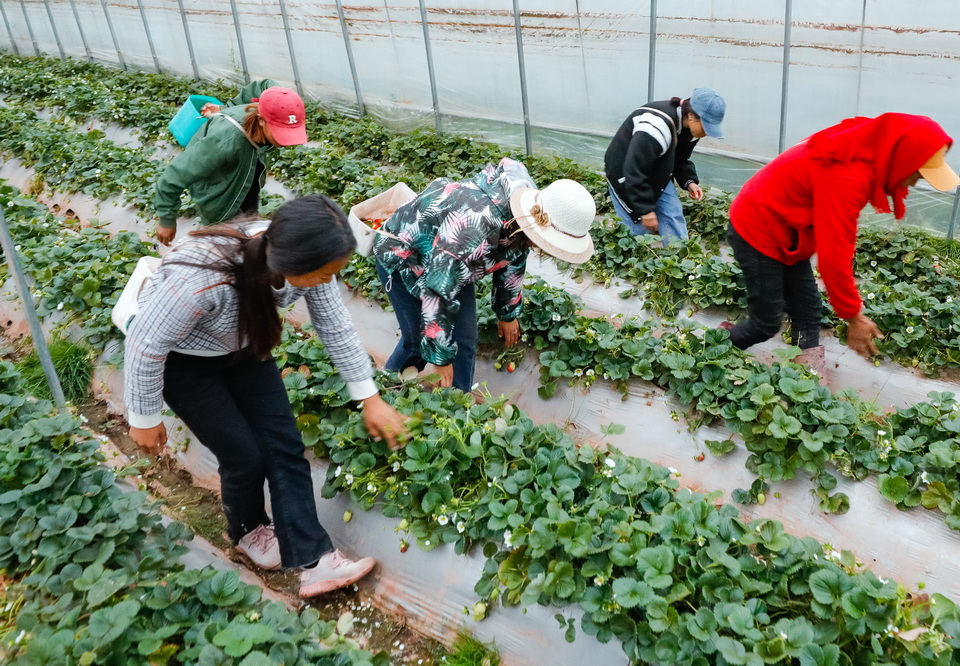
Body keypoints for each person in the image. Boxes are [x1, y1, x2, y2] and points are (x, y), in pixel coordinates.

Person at [124, 195, 408, 598]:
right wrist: (143, 416)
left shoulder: (301, 265)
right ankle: (247, 530)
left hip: (245, 348)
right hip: (183, 364)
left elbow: (335, 325)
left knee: (285, 445)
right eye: (325, 272)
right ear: (295, 261)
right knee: (243, 453)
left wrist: (370, 396)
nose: (330, 280)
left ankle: (315, 561)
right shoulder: (201, 276)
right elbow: (146, 342)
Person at [721, 113, 960, 378]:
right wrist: (853, 317)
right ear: (902, 158)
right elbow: (833, 257)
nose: (918, 180)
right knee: (765, 324)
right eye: (918, 172)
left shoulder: (868, 146)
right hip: (758, 229)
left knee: (808, 311)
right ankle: (713, 349)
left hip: (790, 229)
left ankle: (807, 379)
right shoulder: (847, 177)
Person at [373, 157, 597, 392]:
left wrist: (507, 313)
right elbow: (437, 290)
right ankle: (382, 395)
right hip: (404, 257)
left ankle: (455, 409)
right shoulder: (475, 227)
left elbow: (513, 257)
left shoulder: (523, 215)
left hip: (450, 263)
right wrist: (440, 358)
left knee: (465, 340)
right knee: (415, 344)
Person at [153, 80, 307, 247]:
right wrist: (166, 220)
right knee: (221, 245)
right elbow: (173, 176)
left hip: (244, 178)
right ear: (261, 120)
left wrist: (283, 98)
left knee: (247, 223)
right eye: (280, 132)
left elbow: (262, 86)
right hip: (220, 196)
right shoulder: (224, 141)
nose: (286, 140)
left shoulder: (263, 111)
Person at [605, 87, 726, 245]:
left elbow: (681, 157)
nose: (707, 133)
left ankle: (679, 260)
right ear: (691, 116)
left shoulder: (691, 130)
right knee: (637, 227)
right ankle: (628, 259)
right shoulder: (655, 126)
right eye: (706, 126)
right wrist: (645, 210)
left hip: (656, 170)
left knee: (672, 214)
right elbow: (634, 170)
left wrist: (689, 181)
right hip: (625, 173)